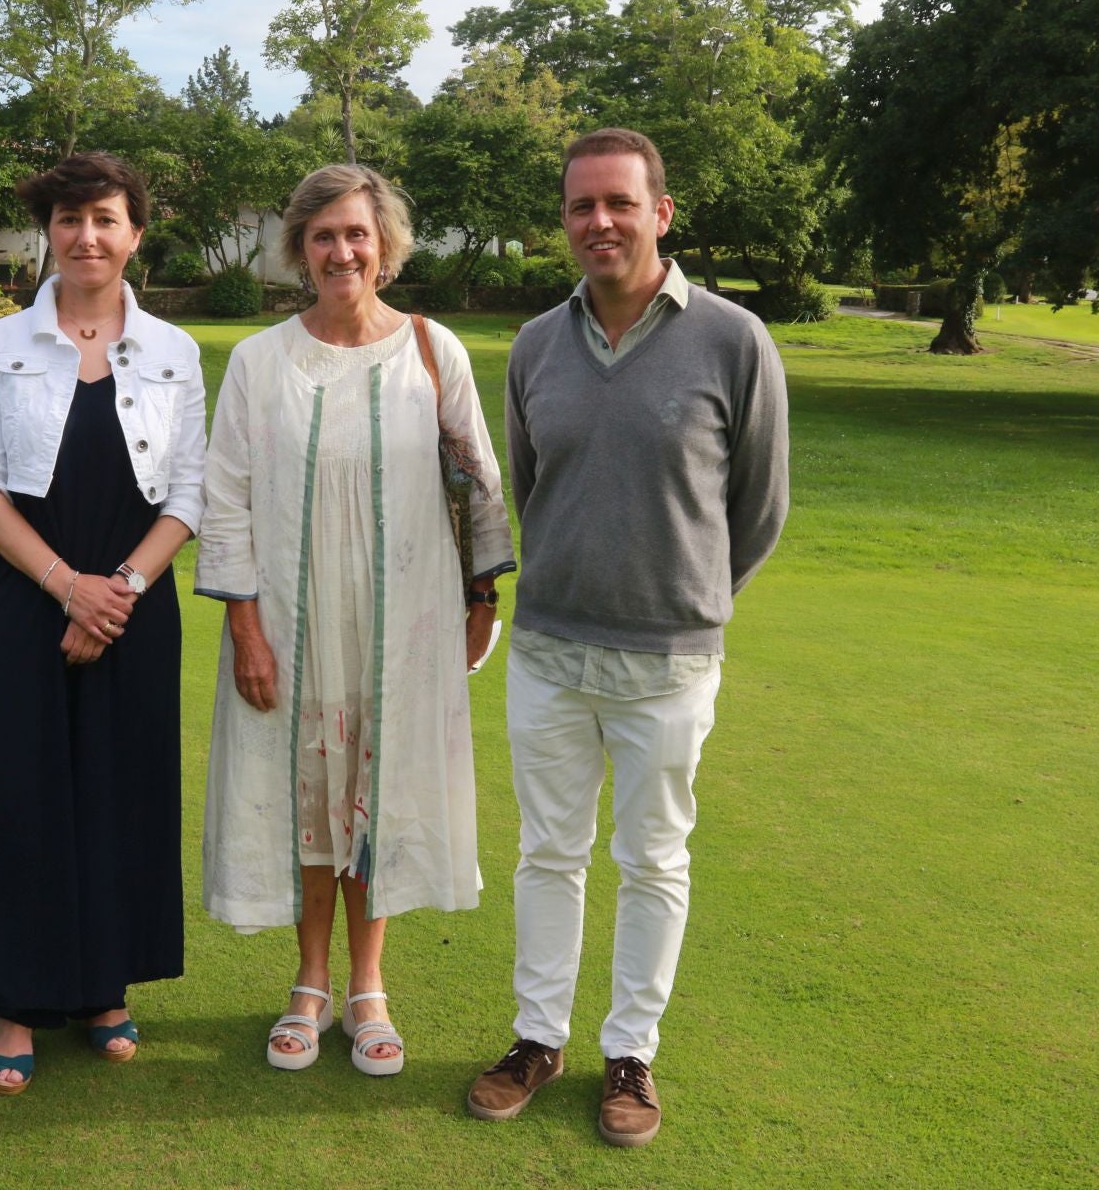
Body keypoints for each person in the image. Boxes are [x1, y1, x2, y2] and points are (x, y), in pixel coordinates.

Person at [465, 128, 788, 1146]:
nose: (598, 222)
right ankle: (536, 1036)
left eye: (617, 202)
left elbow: (761, 504)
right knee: (548, 852)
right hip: (552, 650)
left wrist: (689, 597)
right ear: (564, 221)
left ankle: (631, 1054)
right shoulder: (532, 346)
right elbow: (534, 487)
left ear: (662, 213)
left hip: (670, 658)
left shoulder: (735, 340)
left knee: (653, 858)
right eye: (579, 207)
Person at [196, 164, 513, 1076]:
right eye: (325, 235)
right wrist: (245, 629)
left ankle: (367, 988)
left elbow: (476, 485)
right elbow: (225, 504)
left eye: (358, 234)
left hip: (405, 619)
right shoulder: (260, 361)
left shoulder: (429, 348)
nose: (343, 250)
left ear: (386, 247)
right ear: (301, 248)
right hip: (291, 622)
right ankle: (308, 983)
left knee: (378, 790)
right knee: (308, 796)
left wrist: (481, 598)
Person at [0, 152, 206, 1095]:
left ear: (135, 231)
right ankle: (16, 1001)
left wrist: (119, 594)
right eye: (68, 220)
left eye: (104, 218)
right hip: (27, 595)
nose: (86, 236)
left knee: (120, 793)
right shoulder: (0, 345)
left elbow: (189, 492)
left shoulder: (174, 352)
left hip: (137, 603)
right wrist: (69, 588)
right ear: (46, 234)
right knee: (19, 795)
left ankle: (104, 990)